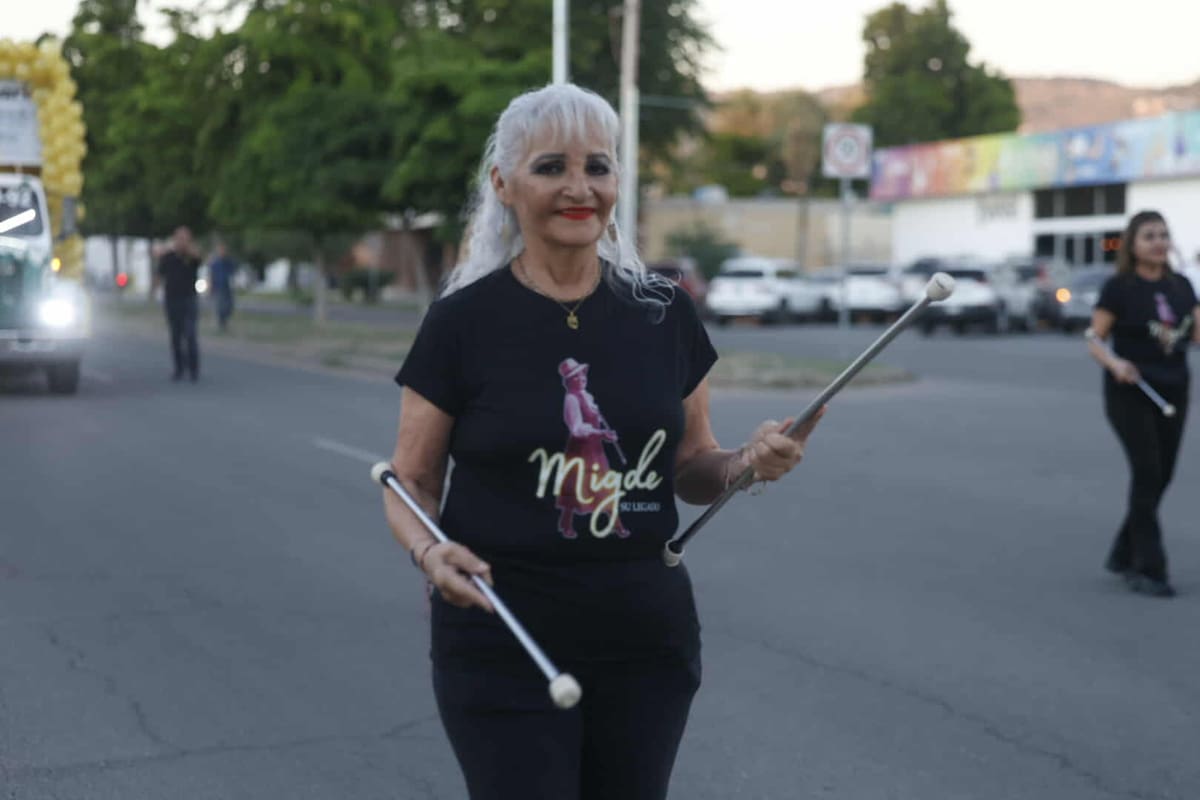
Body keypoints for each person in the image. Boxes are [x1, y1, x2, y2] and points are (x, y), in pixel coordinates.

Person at [380, 83, 824, 800]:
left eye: (598, 167)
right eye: (551, 167)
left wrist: (748, 463)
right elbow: (411, 482)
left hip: (644, 642)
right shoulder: (461, 323)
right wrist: (430, 553)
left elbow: (691, 465)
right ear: (503, 184)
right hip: (503, 637)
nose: (579, 188)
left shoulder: (664, 313)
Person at [1088, 210, 1200, 598]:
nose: (1158, 242)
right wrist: (1115, 363)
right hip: (1131, 391)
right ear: (1132, 244)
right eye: (1149, 236)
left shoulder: (1181, 286)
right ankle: (1148, 568)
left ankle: (1123, 551)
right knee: (1148, 471)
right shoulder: (1119, 288)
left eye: (1163, 235)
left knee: (1161, 476)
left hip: (1174, 389)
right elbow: (1094, 338)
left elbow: (1196, 333)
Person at [156, 226, 202, 382]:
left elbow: (198, 258)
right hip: (172, 299)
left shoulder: (191, 257)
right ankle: (179, 367)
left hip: (189, 299)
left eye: (185, 239)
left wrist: (188, 250)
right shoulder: (168, 257)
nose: (182, 242)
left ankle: (194, 368)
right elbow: (160, 274)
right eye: (179, 238)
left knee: (190, 334)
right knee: (175, 335)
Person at [208, 240, 237, 331]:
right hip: (218, 287)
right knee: (220, 307)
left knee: (229, 306)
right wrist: (210, 287)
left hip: (228, 288)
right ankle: (221, 324)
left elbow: (233, 273)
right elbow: (211, 275)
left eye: (224, 250)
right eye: (220, 250)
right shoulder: (215, 263)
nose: (222, 252)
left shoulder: (229, 262)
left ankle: (224, 322)